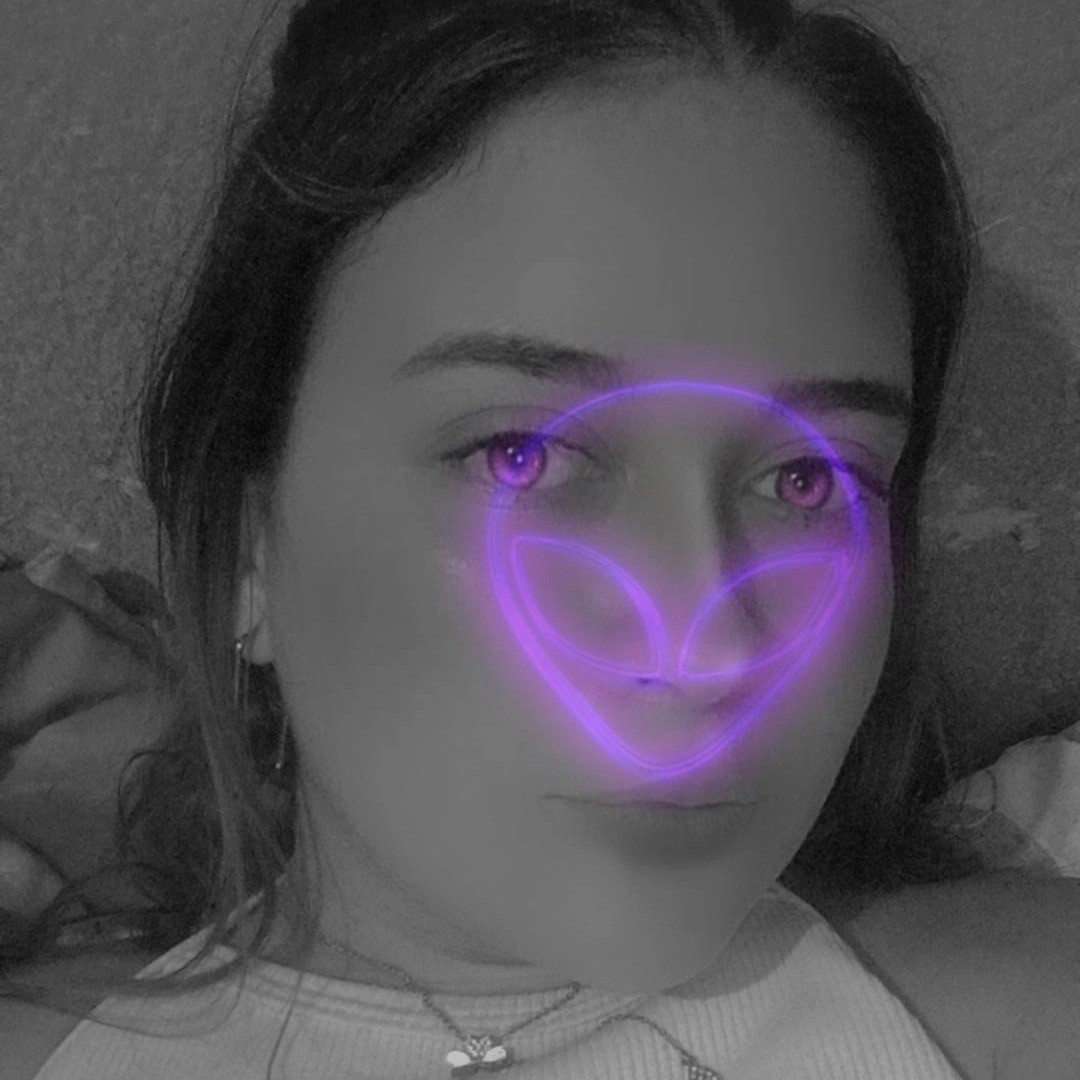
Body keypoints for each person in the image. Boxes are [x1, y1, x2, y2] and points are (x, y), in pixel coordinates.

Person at [4, 1, 1079, 1078]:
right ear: (248, 549)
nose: (705, 649)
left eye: (808, 479)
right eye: (520, 457)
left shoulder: (1019, 1012)